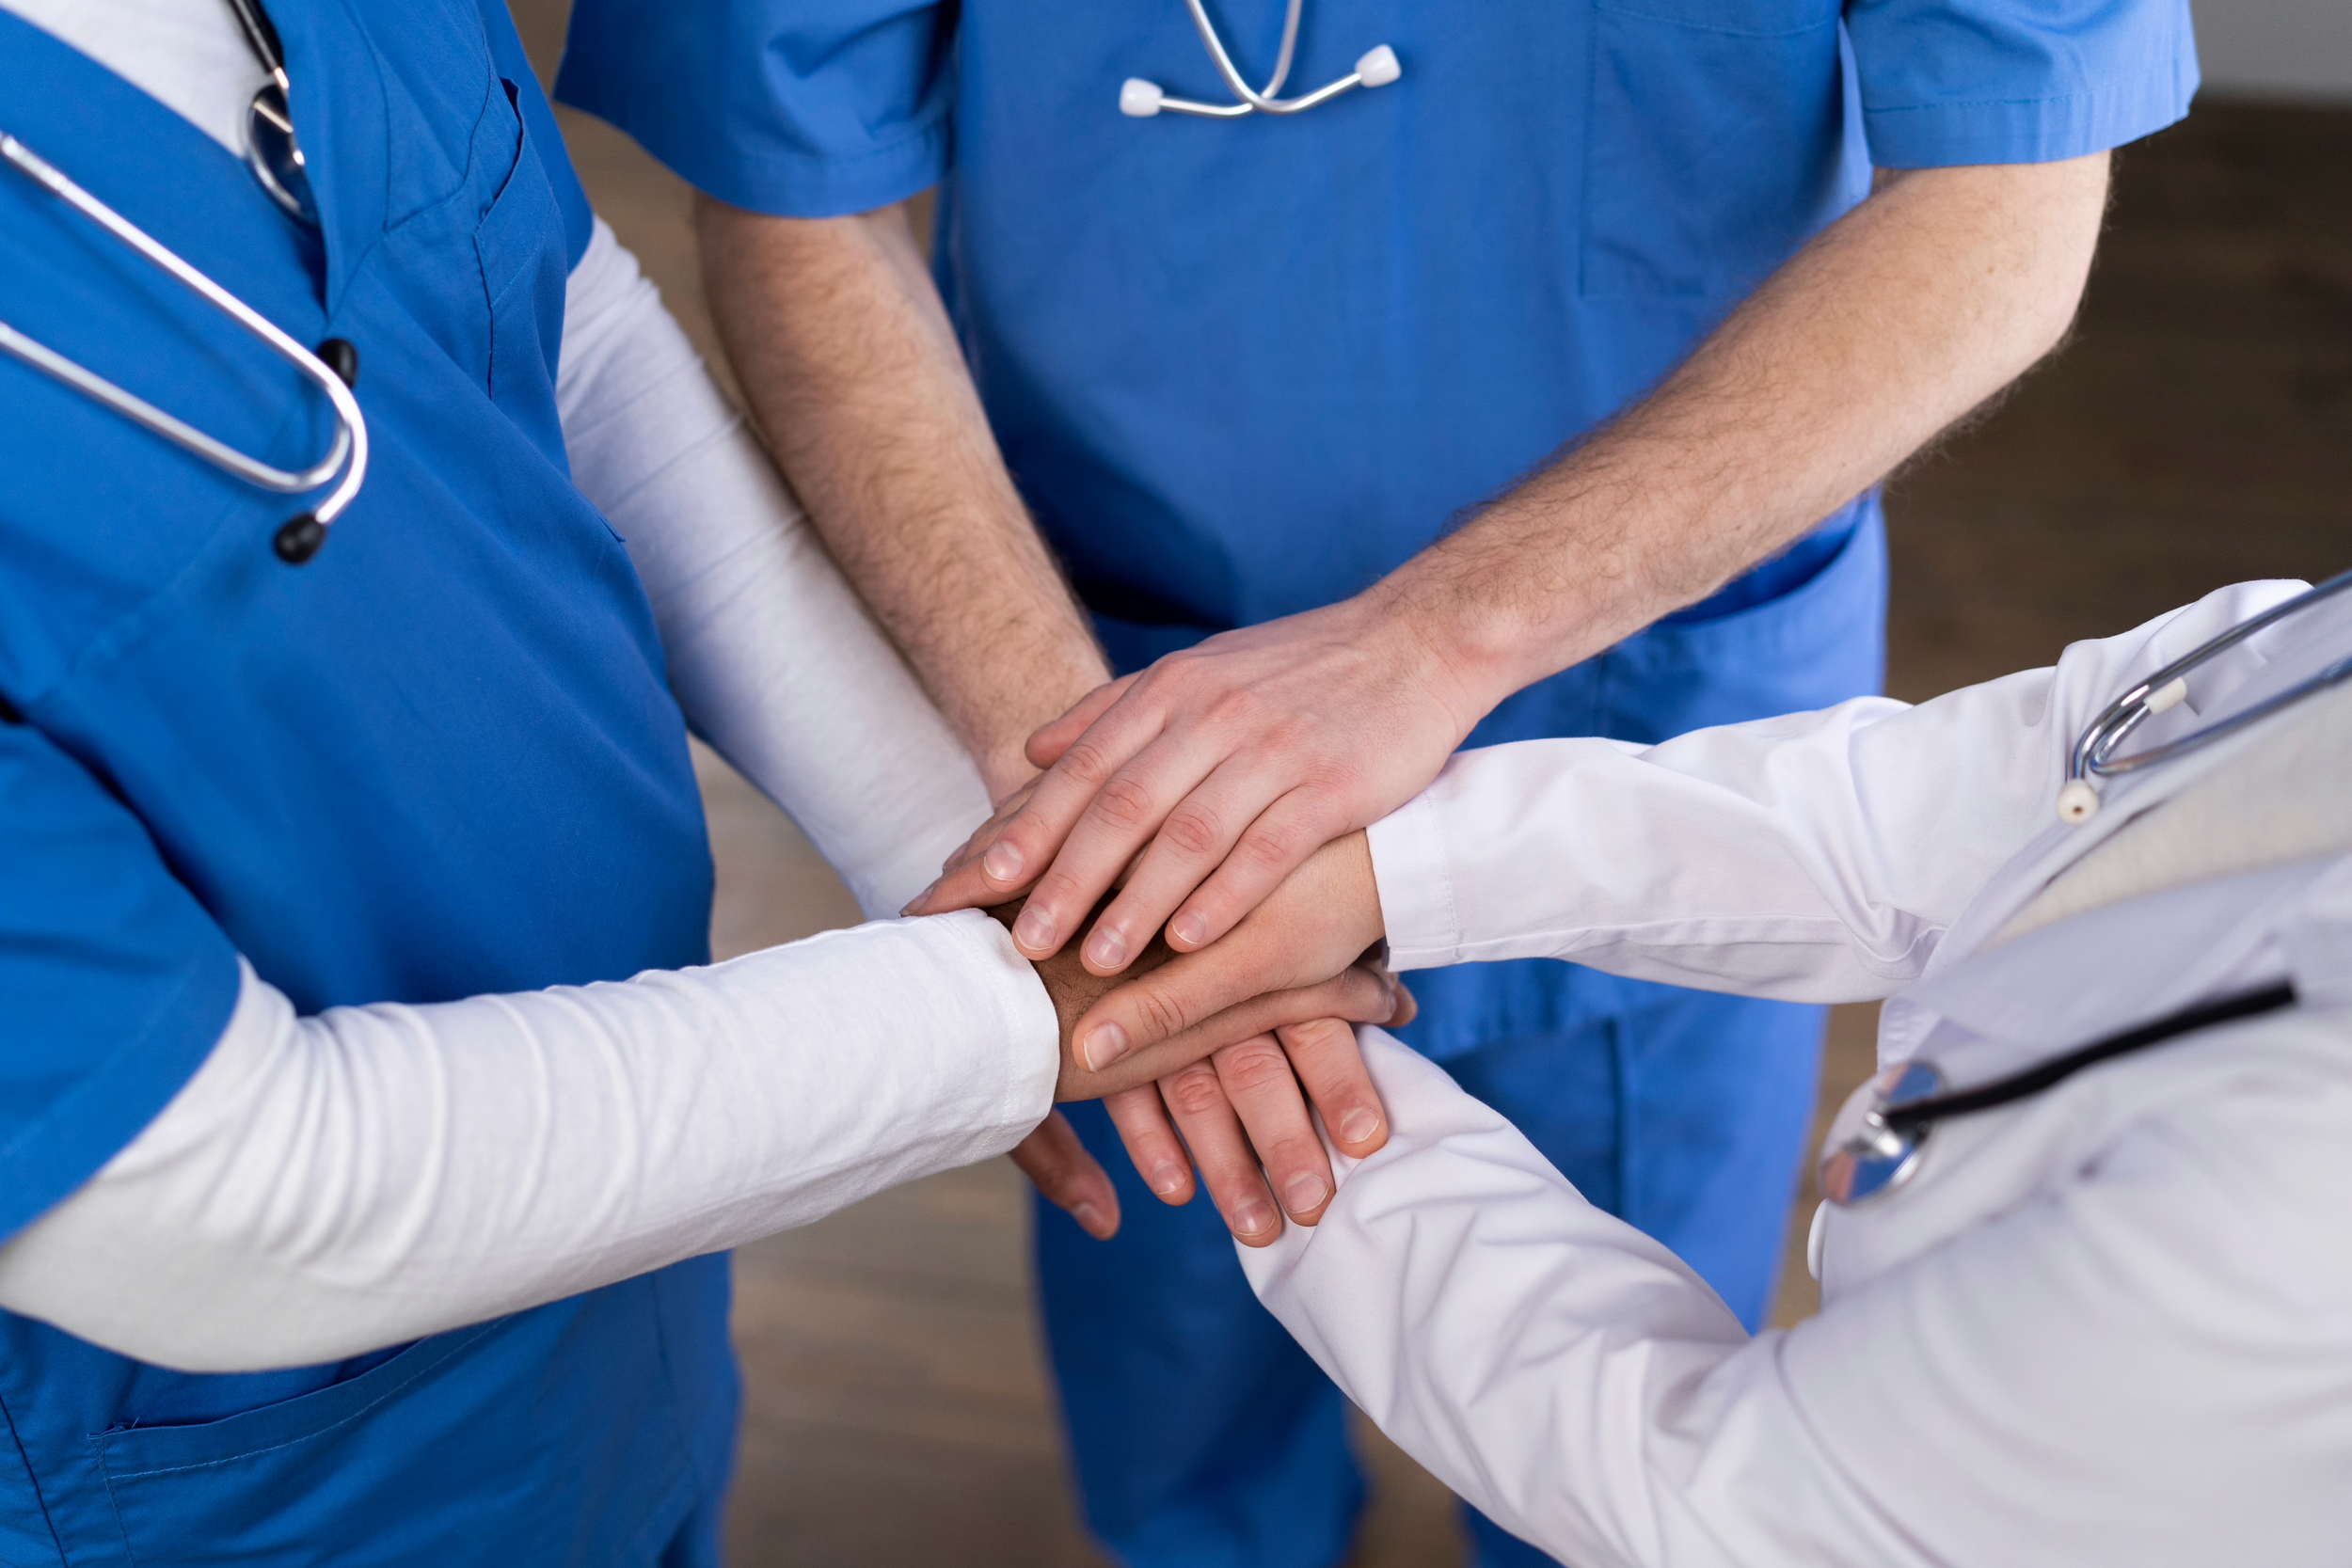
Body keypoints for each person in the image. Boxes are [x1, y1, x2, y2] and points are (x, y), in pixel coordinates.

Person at [553, 0, 2196, 1560]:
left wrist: (1437, 639)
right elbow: (789, 186)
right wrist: (1111, 804)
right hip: (1094, 663)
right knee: (1184, 1401)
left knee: (1635, 1452)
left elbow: (2009, 194)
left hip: (1658, 686)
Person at [0, 3, 1398, 1561]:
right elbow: (228, 1193)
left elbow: (556, 326)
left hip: (610, 1285)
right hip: (248, 1476)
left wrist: (1008, 864)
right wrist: (998, 1008)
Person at [1065, 572, 2352, 1564]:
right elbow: (2018, 790)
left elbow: (1714, 1494)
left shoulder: (2293, 1226)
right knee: (1182, 1403)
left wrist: (1272, 1067)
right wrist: (1371, 878)